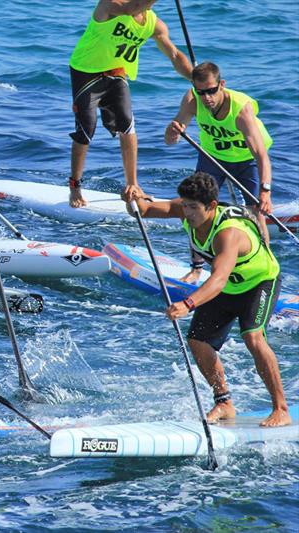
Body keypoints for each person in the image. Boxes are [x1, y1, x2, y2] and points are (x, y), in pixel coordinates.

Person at [130, 172, 289, 427]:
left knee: (253, 337)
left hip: (260, 282)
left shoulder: (228, 233)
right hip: (228, 287)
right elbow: (144, 210)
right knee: (198, 341)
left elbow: (218, 279)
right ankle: (224, 402)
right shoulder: (185, 209)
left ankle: (281, 408)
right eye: (185, 205)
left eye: (193, 208)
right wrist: (133, 198)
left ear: (212, 206)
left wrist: (188, 304)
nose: (187, 212)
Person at [68, 0, 192, 208]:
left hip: (116, 72)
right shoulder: (109, 5)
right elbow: (129, 8)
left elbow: (174, 54)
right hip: (86, 72)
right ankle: (74, 187)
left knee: (127, 125)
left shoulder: (154, 24)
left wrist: (195, 79)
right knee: (86, 130)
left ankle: (133, 184)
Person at [165, 61, 274, 281]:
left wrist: (266, 191)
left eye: (212, 91)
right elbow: (169, 140)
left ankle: (266, 266)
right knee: (195, 206)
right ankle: (196, 269)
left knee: (255, 212)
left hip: (246, 160)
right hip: (212, 157)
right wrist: (173, 131)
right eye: (201, 92)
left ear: (221, 85)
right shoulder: (191, 101)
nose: (207, 98)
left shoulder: (241, 111)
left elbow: (261, 155)